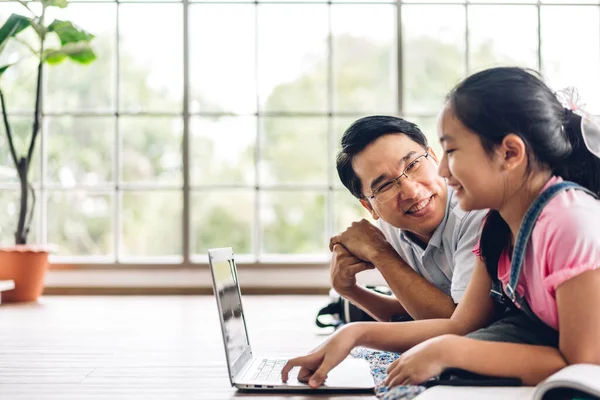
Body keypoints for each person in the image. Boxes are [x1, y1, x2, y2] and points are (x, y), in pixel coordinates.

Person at [283, 67, 600, 388]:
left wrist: (449, 351)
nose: (443, 171)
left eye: (450, 152)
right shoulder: (498, 223)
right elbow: (462, 324)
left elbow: (581, 364)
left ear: (509, 153)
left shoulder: (570, 223)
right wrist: (354, 333)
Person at [330, 116, 486, 322]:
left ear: (433, 158)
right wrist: (349, 291)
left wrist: (380, 253)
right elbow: (415, 311)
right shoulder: (391, 226)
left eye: (412, 165)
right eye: (384, 186)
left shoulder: (476, 211)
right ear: (369, 206)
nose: (411, 192)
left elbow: (462, 326)